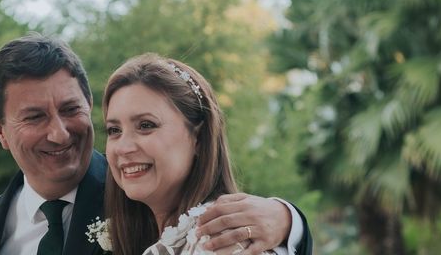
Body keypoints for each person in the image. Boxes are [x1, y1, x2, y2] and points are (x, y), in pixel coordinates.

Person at [0, 34, 311, 255]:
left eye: (71, 110)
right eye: (34, 117)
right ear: (1, 131)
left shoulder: (139, 189)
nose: (60, 134)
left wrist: (288, 221)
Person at [102, 54, 312, 255]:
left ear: (199, 139)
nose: (123, 147)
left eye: (146, 125)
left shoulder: (220, 243)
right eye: (114, 130)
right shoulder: (156, 237)